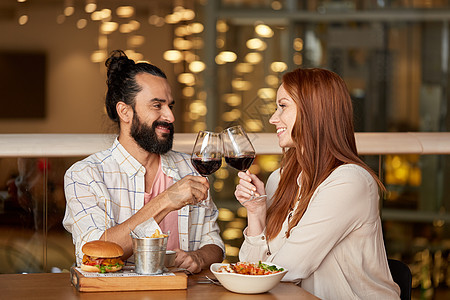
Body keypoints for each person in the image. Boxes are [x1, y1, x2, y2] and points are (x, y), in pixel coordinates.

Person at [234, 68, 401, 299]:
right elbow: (251, 273)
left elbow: (287, 270)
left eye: (282, 106)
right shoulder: (280, 179)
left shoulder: (349, 182)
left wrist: (256, 271)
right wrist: (256, 212)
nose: (273, 118)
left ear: (313, 112)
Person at [63, 50, 224, 273]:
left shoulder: (190, 168)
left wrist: (198, 257)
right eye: (157, 105)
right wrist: (166, 200)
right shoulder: (84, 175)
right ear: (125, 112)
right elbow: (93, 255)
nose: (170, 117)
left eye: (170, 106)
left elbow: (214, 243)